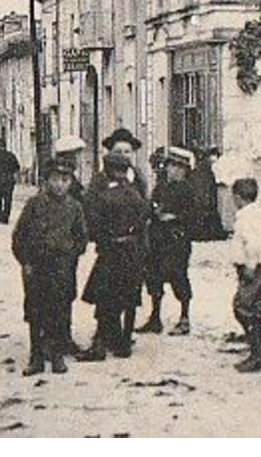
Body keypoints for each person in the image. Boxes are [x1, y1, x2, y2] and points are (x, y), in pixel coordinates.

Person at [10, 156, 88, 376]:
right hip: (37, 267)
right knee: (36, 312)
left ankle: (56, 355)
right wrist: (25, 261)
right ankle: (36, 357)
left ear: (71, 182)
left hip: (62, 268)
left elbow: (82, 237)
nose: (60, 184)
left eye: (65, 180)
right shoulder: (34, 205)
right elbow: (19, 236)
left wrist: (72, 253)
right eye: (55, 179)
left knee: (59, 310)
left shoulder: (74, 207)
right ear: (47, 181)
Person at [78, 131, 150, 360]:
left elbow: (143, 210)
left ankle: (120, 338)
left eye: (127, 152)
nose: (123, 156)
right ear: (110, 155)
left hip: (133, 245)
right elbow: (91, 209)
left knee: (127, 292)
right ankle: (107, 335)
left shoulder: (138, 178)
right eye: (118, 152)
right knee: (106, 291)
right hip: (110, 245)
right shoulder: (100, 180)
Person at [137, 147, 199, 336]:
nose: (174, 171)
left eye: (179, 167)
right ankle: (155, 317)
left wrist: (175, 218)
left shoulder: (188, 190)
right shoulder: (161, 187)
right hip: (157, 239)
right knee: (154, 277)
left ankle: (184, 317)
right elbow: (152, 206)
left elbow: (195, 217)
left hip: (177, 241)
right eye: (171, 166)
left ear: (185, 170)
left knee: (178, 276)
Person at [228, 177, 261, 373]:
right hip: (258, 266)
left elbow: (253, 244)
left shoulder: (246, 217)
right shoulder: (256, 213)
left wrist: (250, 266)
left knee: (243, 307)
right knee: (252, 307)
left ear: (238, 198)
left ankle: (256, 352)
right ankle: (255, 349)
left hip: (254, 267)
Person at [0, 138, 22, 224]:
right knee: (8, 199)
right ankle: (6, 217)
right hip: (9, 180)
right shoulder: (11, 156)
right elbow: (17, 167)